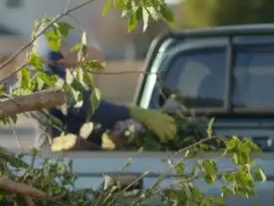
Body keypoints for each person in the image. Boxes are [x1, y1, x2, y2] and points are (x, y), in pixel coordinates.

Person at [34, 43, 178, 147]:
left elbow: (87, 118)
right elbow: (86, 105)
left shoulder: (61, 73)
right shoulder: (55, 79)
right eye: (91, 67)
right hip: (50, 157)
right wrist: (133, 112)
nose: (95, 78)